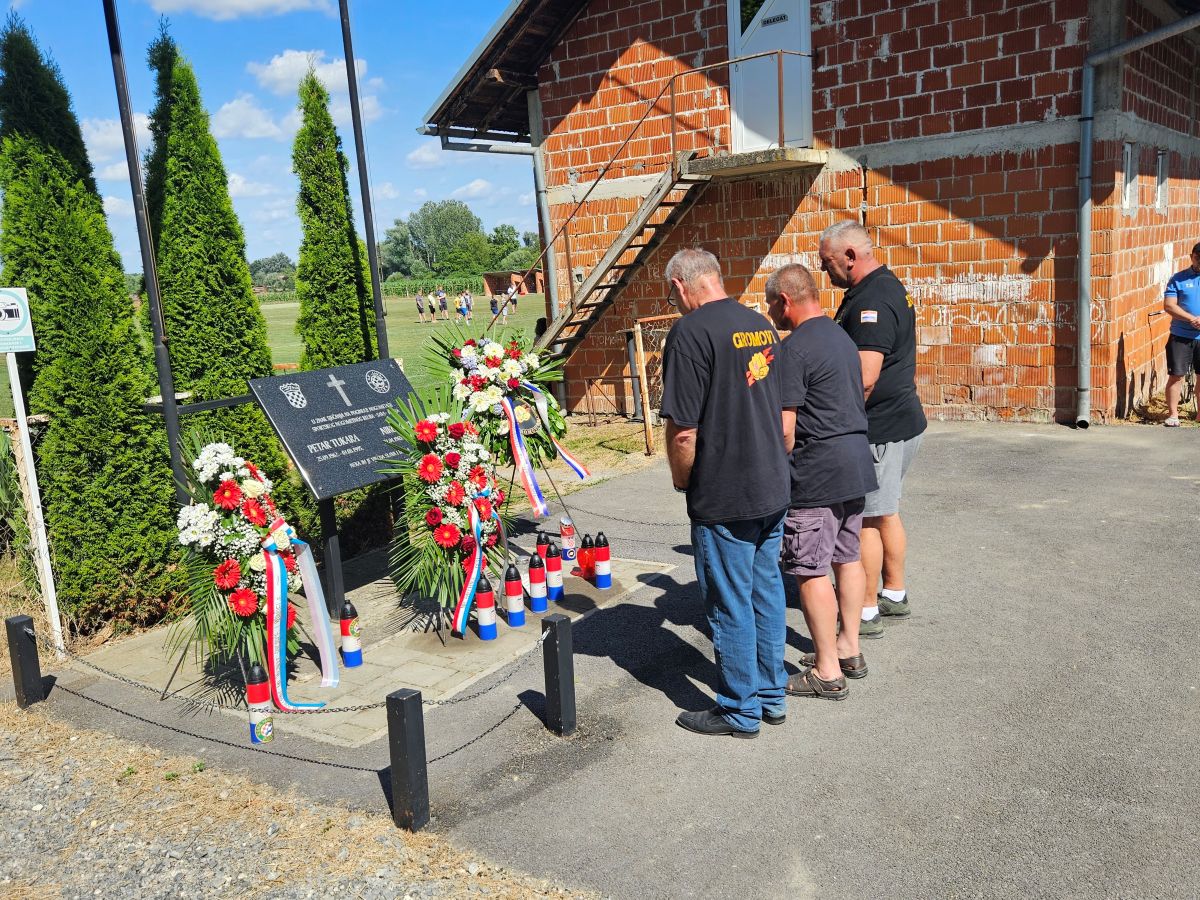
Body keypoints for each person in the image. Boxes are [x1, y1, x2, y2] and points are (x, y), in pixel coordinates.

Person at [659, 247, 790, 738]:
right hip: (772, 483)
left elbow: (684, 432)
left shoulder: (689, 332)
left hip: (726, 492)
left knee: (729, 602)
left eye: (670, 294)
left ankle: (739, 708)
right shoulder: (760, 324)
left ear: (680, 285)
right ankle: (772, 696)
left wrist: (683, 479)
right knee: (766, 593)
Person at [765, 264, 878, 699]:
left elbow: (785, 429)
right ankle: (849, 647)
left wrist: (768, 466)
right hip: (854, 464)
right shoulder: (841, 337)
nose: (770, 313)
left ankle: (827, 672)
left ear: (785, 301)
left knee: (809, 569)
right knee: (847, 558)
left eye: (771, 304)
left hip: (817, 473)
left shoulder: (793, 350)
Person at [819, 220, 927, 638]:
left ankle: (864, 611)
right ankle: (894, 594)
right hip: (899, 420)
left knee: (863, 517)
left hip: (880, 428)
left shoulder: (872, 302)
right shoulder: (882, 286)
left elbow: (865, 378)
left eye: (827, 261)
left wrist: (833, 424)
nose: (823, 269)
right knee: (884, 513)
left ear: (850, 256)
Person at [1162, 241, 1200, 426]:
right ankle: (1173, 415)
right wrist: (1191, 319)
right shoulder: (1178, 279)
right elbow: (1169, 305)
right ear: (1191, 257)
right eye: (1198, 258)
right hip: (1180, 336)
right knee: (1176, 375)